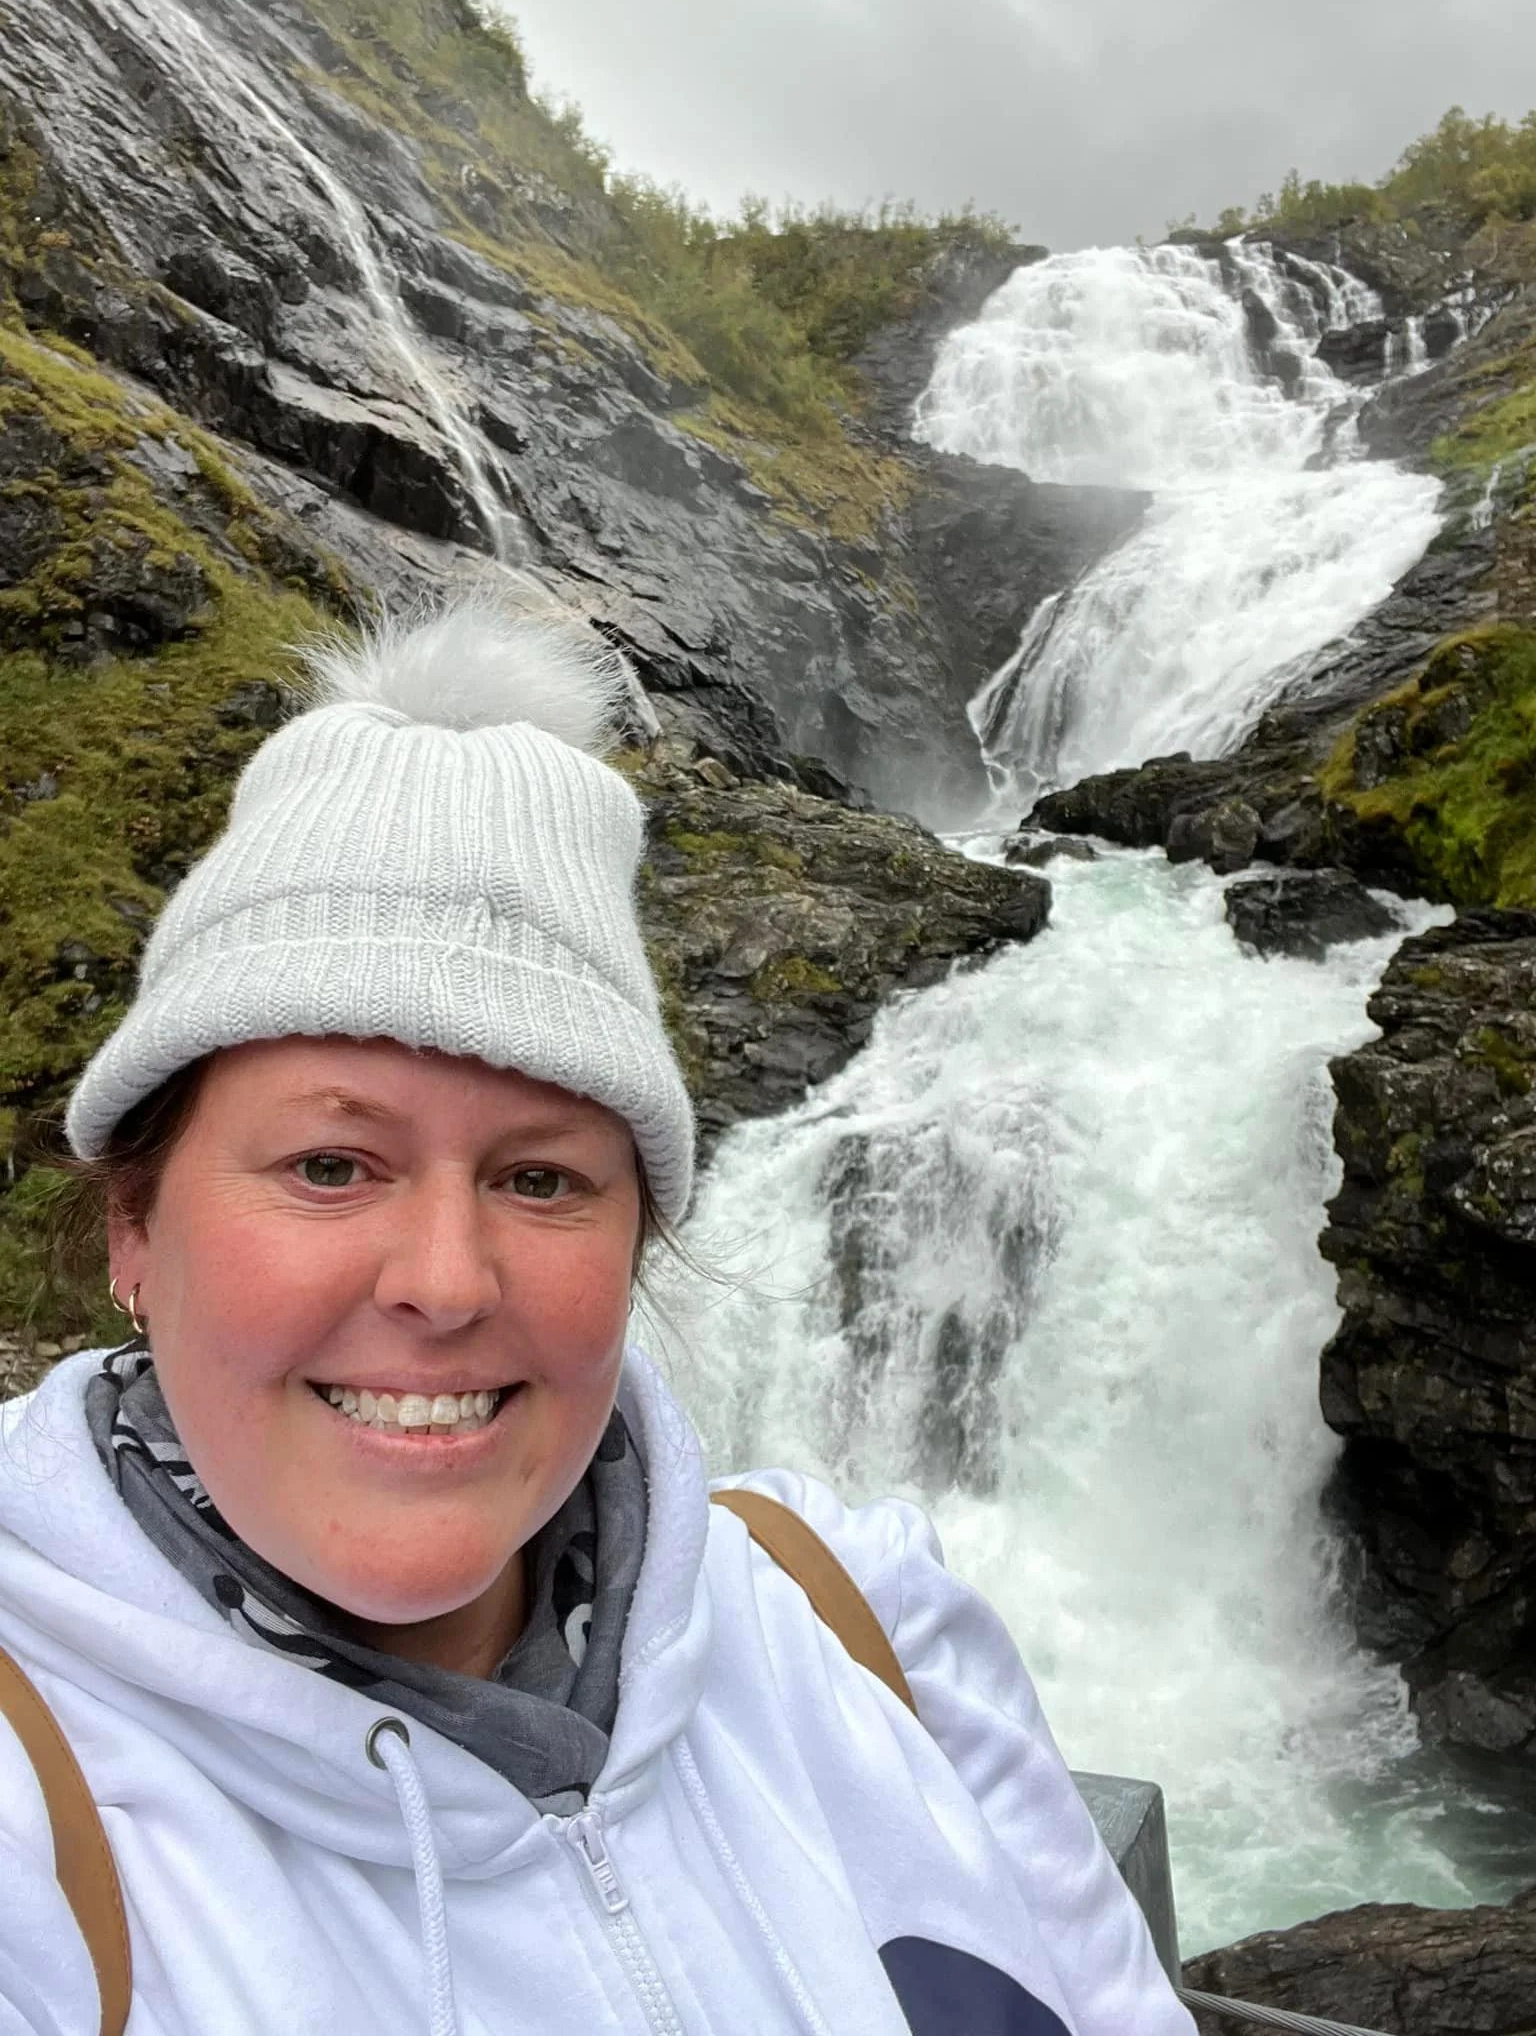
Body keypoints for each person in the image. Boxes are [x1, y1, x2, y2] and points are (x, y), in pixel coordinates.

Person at [0, 597, 1194, 2035]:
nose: (446, 1280)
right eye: (331, 1165)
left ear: (638, 1240)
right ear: (133, 1226)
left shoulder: (868, 1632)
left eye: (541, 1178)